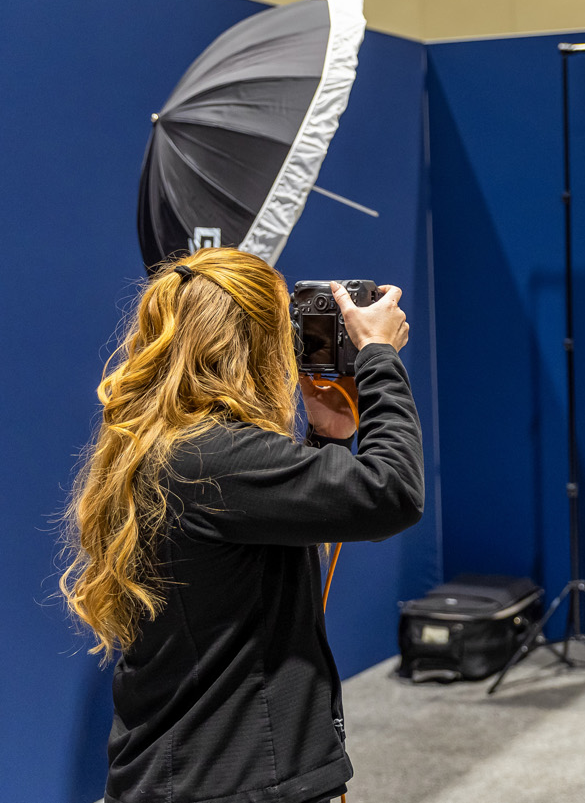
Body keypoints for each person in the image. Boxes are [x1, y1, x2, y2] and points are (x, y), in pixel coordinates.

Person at [59, 247, 424, 803]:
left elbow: (255, 551)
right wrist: (378, 356)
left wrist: (326, 439)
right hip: (235, 780)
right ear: (258, 346)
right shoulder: (217, 457)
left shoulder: (167, 449)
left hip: (189, 770)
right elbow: (392, 494)